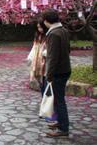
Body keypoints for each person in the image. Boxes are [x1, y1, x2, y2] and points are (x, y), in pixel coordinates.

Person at [42, 9, 71, 138]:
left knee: (59, 101)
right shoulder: (63, 30)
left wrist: (49, 75)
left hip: (58, 72)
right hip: (65, 68)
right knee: (58, 99)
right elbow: (68, 50)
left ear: (46, 21)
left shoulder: (53, 34)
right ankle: (60, 123)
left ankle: (63, 129)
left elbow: (52, 57)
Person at [27, 20, 48, 97]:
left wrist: (45, 53)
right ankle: (44, 102)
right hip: (37, 62)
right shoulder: (38, 36)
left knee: (46, 83)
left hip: (45, 62)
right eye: (38, 27)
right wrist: (30, 57)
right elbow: (34, 48)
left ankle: (47, 103)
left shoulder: (49, 36)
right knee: (41, 83)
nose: (40, 29)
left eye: (41, 27)